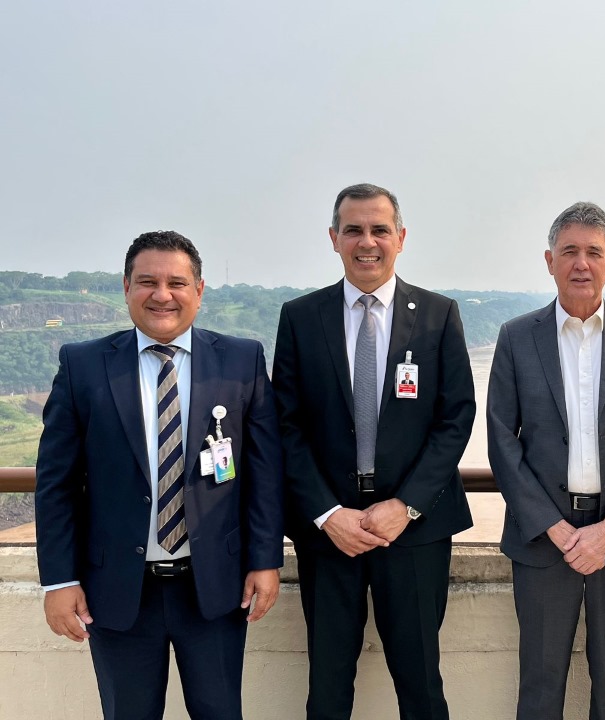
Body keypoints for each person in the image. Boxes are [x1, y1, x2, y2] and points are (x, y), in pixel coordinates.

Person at [34, 230, 285, 720]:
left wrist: (264, 560)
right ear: (126, 286)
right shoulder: (83, 365)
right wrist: (58, 580)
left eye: (177, 282)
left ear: (200, 290)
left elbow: (263, 472)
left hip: (214, 587)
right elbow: (56, 483)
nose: (162, 294)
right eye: (147, 281)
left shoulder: (241, 359)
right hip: (118, 592)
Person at [273, 183, 475, 720]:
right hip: (330, 532)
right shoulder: (300, 317)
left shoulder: (438, 315)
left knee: (421, 686)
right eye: (354, 230)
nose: (368, 242)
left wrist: (405, 506)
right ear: (334, 238)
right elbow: (285, 426)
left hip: (414, 532)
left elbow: (455, 421)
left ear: (401, 238)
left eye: (379, 230)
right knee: (328, 687)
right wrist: (326, 513)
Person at [487, 201, 605, 720]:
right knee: (540, 685)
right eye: (569, 251)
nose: (581, 263)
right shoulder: (517, 336)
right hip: (545, 539)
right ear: (549, 260)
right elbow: (502, 441)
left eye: (594, 252)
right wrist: (554, 527)